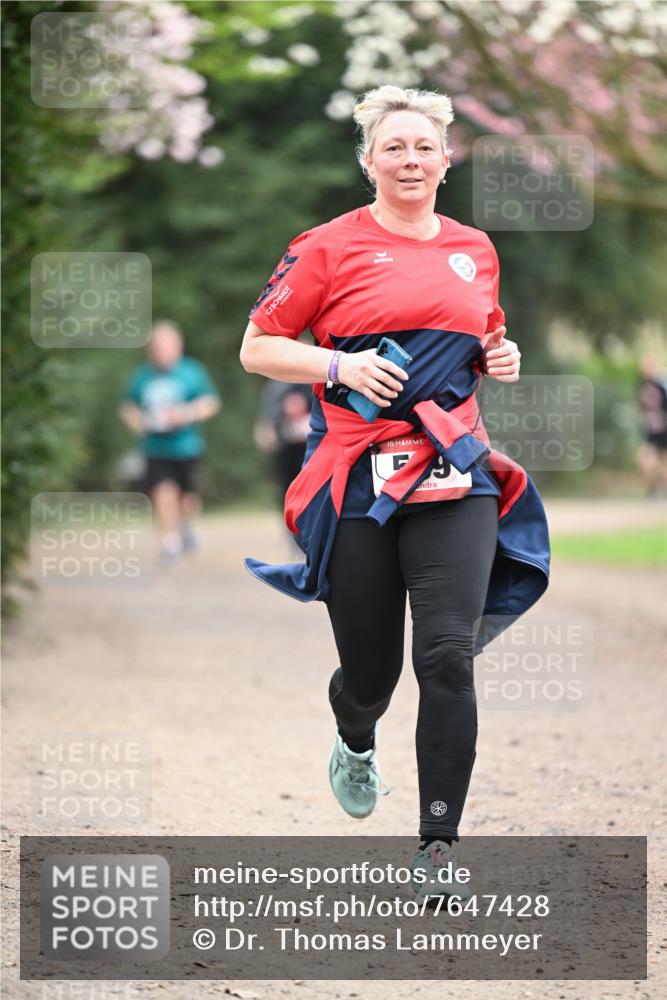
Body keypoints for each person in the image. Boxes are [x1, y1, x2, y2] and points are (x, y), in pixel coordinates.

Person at [240, 86, 550, 901]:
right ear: (368, 162)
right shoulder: (326, 246)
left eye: (423, 148)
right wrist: (337, 364)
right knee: (370, 675)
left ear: (445, 162)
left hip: (454, 470)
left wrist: (500, 356)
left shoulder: (475, 248)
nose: (410, 161)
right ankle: (355, 733)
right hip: (358, 474)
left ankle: (437, 847)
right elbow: (257, 347)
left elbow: (481, 336)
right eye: (393, 148)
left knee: (446, 656)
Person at [120, 321, 220, 562]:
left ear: (178, 346)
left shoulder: (191, 371)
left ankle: (185, 526)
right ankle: (170, 542)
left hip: (187, 446)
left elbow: (211, 402)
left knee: (188, 500)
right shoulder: (142, 375)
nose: (161, 351)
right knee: (163, 492)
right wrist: (140, 422)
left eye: (166, 345)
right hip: (156, 447)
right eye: (157, 346)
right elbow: (128, 407)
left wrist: (186, 414)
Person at [637, 353, 667, 498]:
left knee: (664, 464)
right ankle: (654, 490)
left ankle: (662, 492)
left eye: (649, 366)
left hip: (665, 431)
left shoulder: (663, 384)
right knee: (645, 460)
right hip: (652, 432)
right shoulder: (642, 385)